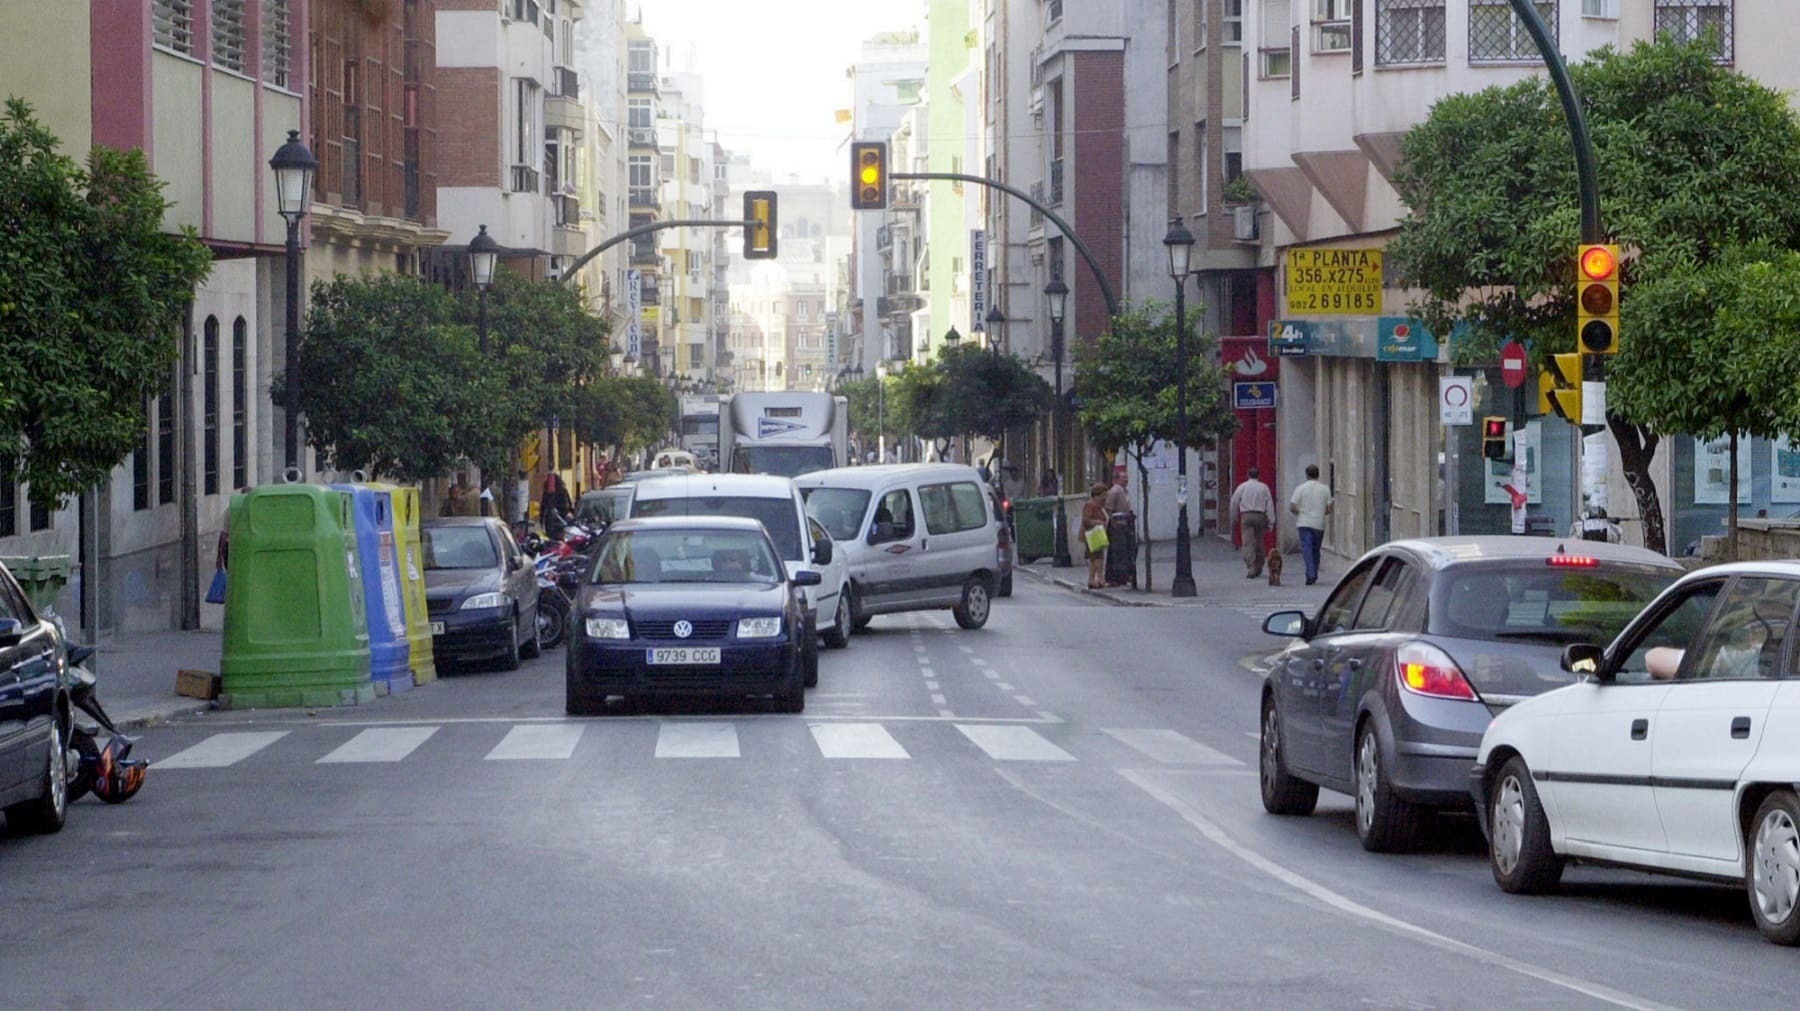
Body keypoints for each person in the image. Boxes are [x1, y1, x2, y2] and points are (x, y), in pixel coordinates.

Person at [1288, 464, 1333, 585]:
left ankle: (1310, 574)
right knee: (1315, 549)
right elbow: (1329, 509)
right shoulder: (1325, 489)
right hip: (1319, 523)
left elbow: (1292, 506)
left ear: (1306, 475)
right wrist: (1319, 512)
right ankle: (1314, 572)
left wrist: (1300, 512)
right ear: (1318, 475)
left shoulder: (1300, 488)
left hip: (1304, 522)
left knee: (1306, 548)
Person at [1229, 466, 1275, 579]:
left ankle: (1250, 567)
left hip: (1246, 516)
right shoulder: (1264, 487)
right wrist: (1271, 521)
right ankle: (1259, 565)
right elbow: (1269, 504)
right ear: (1259, 475)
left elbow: (1234, 502)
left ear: (1248, 475)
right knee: (1259, 542)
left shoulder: (1242, 487)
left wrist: (1234, 517)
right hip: (1260, 515)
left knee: (1248, 542)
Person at [1103, 470, 1135, 589]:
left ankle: (1121, 576)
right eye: (1123, 478)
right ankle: (1114, 577)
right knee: (1116, 551)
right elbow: (1109, 508)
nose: (1126, 480)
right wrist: (1112, 522)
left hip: (1124, 523)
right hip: (1117, 524)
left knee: (1122, 551)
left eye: (1127, 478)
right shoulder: (1115, 490)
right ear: (1117, 479)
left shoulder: (1124, 491)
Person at [1080, 483, 1109, 589]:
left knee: (1094, 558)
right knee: (1098, 558)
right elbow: (1085, 520)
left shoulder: (1099, 506)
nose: (1105, 497)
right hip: (1092, 534)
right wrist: (1097, 522)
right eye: (1103, 495)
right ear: (1097, 495)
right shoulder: (1090, 505)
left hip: (1097, 534)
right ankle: (1101, 578)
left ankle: (1091, 580)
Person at [540, 473, 574, 541]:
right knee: (560, 536)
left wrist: (541, 519)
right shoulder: (563, 491)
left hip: (550, 519)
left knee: (551, 536)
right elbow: (568, 504)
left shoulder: (547, 492)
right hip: (561, 517)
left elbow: (543, 506)